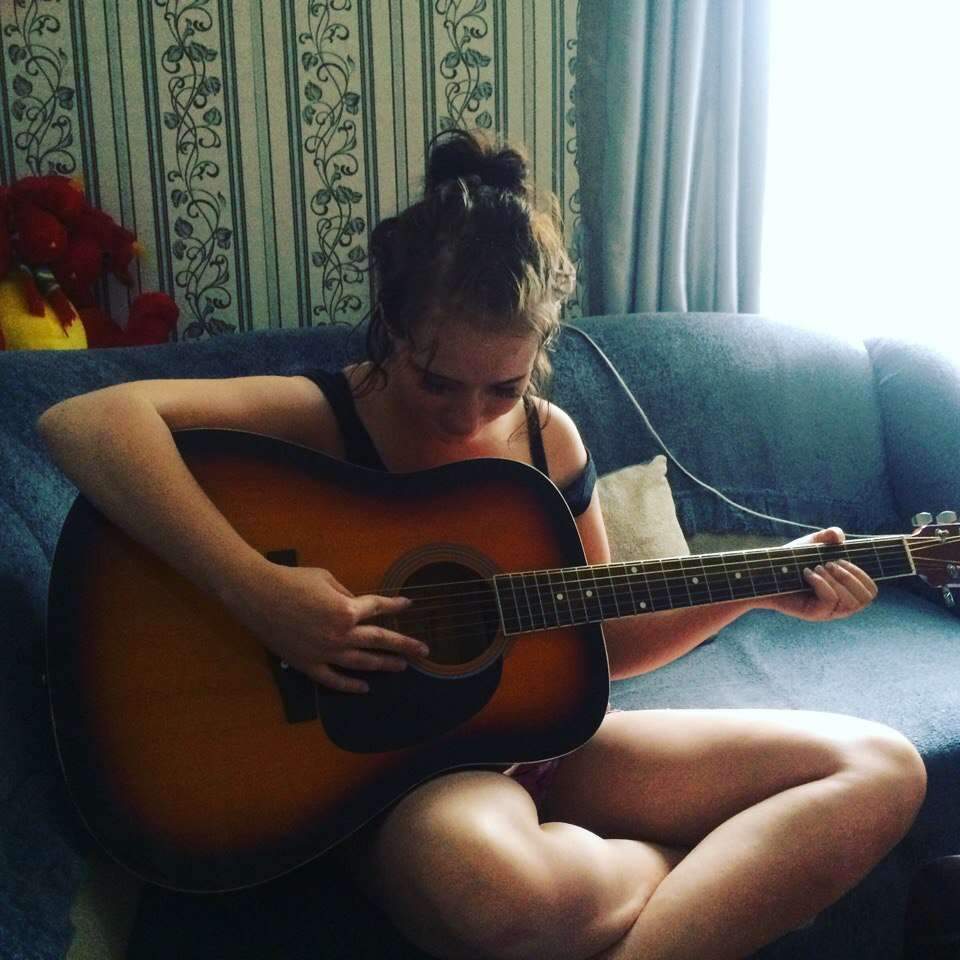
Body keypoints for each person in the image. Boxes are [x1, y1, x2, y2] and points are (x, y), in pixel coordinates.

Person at [38, 127, 926, 960]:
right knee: (494, 895)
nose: (469, 417)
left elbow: (599, 641)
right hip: (400, 781)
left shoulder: (549, 441)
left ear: (540, 351)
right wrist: (260, 594)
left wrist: (754, 589)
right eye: (437, 381)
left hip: (541, 745)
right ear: (392, 328)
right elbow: (83, 422)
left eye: (503, 386)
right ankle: (698, 878)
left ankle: (666, 908)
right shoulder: (327, 413)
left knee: (880, 766)